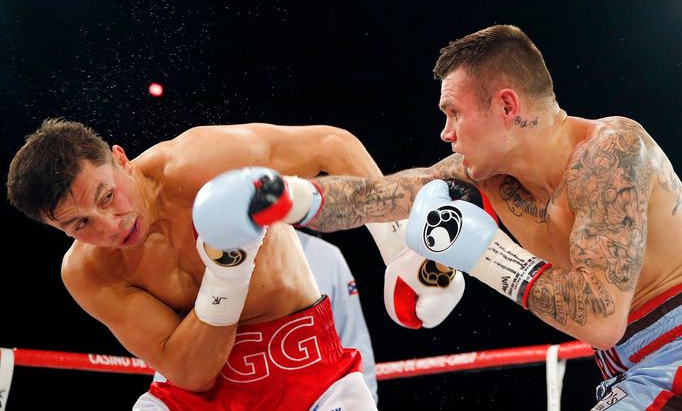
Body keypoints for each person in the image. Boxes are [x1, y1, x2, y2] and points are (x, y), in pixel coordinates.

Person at [216, 25, 682, 410]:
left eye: (454, 113)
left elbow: (601, 320)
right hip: (628, 368)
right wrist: (280, 197)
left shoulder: (610, 152)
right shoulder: (491, 177)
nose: (446, 132)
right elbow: (375, 197)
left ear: (506, 106)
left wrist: (487, 254)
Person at [7, 119, 467, 410]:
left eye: (107, 196)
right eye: (78, 225)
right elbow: (189, 372)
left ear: (120, 160)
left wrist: (396, 247)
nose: (109, 225)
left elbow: (332, 143)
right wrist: (229, 273)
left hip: (309, 371)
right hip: (195, 395)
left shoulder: (197, 163)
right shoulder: (89, 271)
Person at [149, 229, 380, 405]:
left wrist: (357, 398)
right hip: (213, 398)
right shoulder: (189, 254)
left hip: (305, 394)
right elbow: (181, 354)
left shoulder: (327, 257)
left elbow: (352, 339)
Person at [295, 230, 378, 404]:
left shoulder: (326, 257)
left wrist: (366, 401)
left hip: (320, 401)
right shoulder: (228, 263)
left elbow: (353, 340)